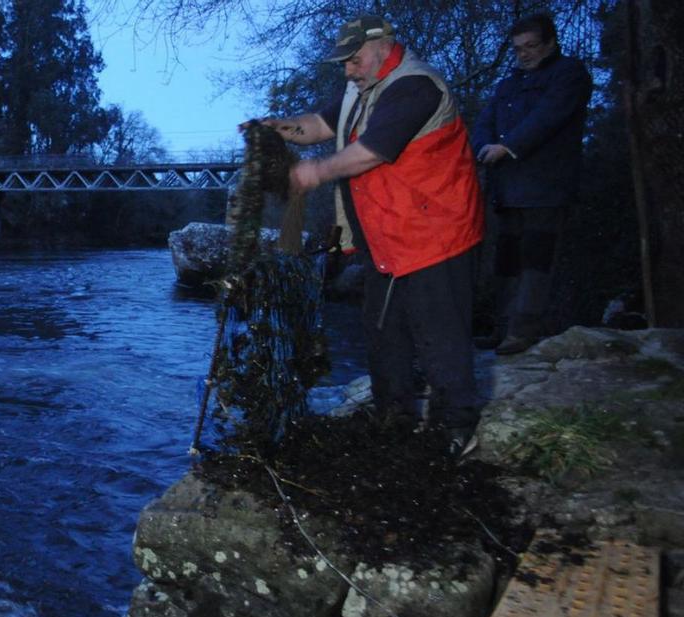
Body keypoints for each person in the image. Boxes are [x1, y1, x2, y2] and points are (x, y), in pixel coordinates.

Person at [244, 15, 485, 455]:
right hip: (386, 238)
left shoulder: (417, 87)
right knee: (383, 334)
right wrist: (278, 127)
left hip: (437, 234)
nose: (348, 71)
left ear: (383, 46)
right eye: (344, 64)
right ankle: (394, 417)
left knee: (441, 337)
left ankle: (456, 426)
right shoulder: (361, 88)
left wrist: (312, 172)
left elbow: (371, 152)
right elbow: (319, 125)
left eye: (354, 61)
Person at [471, 13, 592, 355]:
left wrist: (508, 147)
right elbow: (485, 120)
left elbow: (548, 118)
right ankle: (501, 329)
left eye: (531, 46)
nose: (524, 54)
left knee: (536, 262)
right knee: (506, 261)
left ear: (551, 43)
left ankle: (522, 332)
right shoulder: (509, 83)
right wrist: (482, 147)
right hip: (507, 188)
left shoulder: (569, 74)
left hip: (546, 187)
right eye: (518, 48)